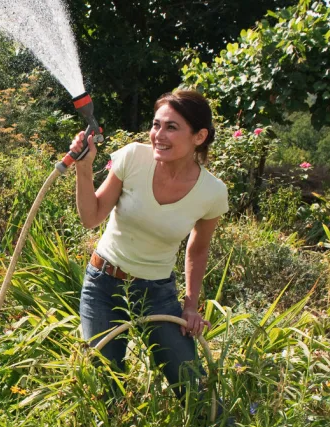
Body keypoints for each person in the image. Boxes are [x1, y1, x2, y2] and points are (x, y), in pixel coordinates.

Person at [73, 89, 228, 397]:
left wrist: (191, 306)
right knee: (106, 386)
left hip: (157, 293)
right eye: (156, 125)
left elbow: (198, 249)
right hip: (103, 284)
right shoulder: (133, 157)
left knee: (191, 387)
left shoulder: (212, 192)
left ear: (199, 136)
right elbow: (91, 217)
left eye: (171, 127)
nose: (159, 135)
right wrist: (84, 166)